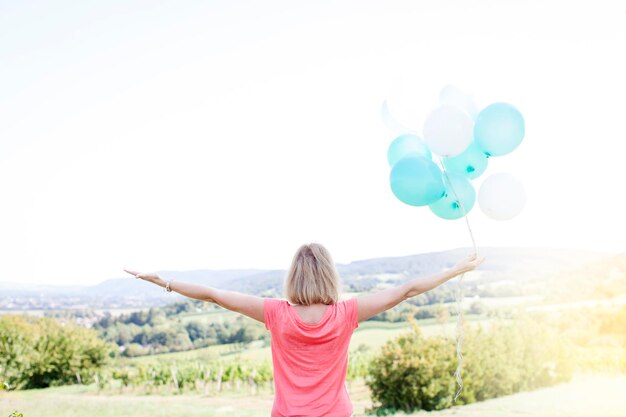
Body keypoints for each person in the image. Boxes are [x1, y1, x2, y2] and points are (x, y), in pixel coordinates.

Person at [124, 243, 484, 417]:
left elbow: (217, 296)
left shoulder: (276, 314)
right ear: (331, 276)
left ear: (292, 277)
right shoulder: (347, 314)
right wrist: (454, 270)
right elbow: (406, 290)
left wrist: (165, 282)